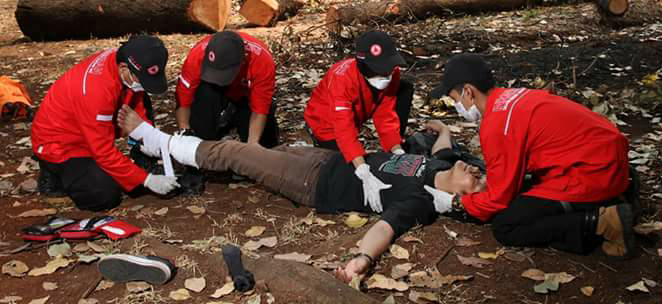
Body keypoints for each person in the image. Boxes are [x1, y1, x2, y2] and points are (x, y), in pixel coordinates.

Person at [116, 105, 484, 282]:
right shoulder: (442, 166)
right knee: (262, 153)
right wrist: (442, 128)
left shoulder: (420, 202)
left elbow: (386, 229)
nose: (475, 171)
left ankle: (155, 142)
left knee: (237, 154)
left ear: (460, 200)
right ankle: (180, 153)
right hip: (327, 158)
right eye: (479, 171)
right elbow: (443, 147)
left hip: (313, 184)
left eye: (477, 182)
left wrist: (360, 261)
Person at [429, 53, 636, 257]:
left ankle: (602, 222)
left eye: (455, 99)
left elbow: (498, 199)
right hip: (608, 158)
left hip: (595, 172)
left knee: (506, 225)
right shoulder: (515, 96)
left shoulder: (497, 124)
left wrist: (456, 203)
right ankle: (614, 196)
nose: (456, 106)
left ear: (468, 91)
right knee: (527, 189)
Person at [31, 35, 179, 211]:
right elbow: (102, 150)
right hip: (61, 143)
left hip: (89, 126)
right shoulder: (96, 91)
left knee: (142, 96)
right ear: (124, 68)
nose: (143, 85)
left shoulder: (123, 64)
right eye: (141, 79)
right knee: (104, 195)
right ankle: (53, 173)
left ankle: (140, 160)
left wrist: (148, 139)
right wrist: (145, 180)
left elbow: (137, 102)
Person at [304, 30, 414, 213]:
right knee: (343, 170)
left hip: (357, 116)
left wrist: (396, 149)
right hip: (325, 124)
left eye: (388, 69)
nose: (387, 75)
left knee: (405, 89)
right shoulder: (341, 79)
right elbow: (343, 128)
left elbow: (386, 113)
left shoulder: (392, 72)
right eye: (380, 71)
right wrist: (362, 169)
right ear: (363, 67)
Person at [175, 30, 278, 147]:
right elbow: (183, 100)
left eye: (222, 73)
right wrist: (185, 132)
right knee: (205, 96)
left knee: (265, 143)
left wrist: (252, 145)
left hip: (246, 95)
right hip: (213, 91)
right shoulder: (197, 55)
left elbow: (260, 110)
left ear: (243, 60)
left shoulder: (262, 61)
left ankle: (233, 116)